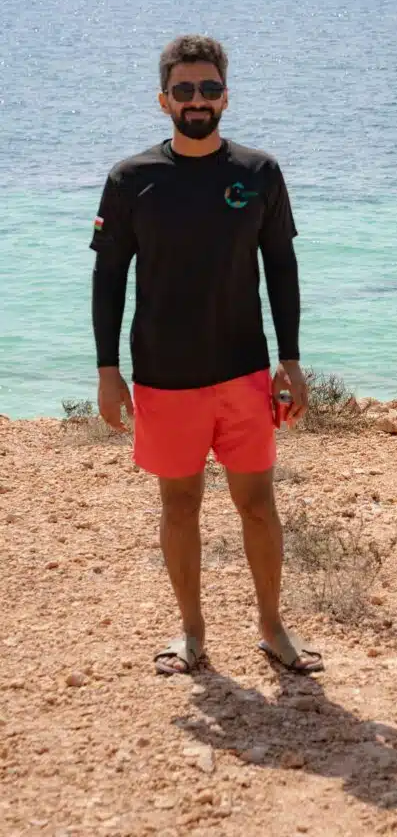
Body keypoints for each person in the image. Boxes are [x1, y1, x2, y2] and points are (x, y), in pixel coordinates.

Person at [90, 34, 322, 675]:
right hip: (164, 376)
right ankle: (191, 633)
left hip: (244, 371)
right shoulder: (131, 180)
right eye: (184, 89)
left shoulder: (258, 174)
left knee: (259, 506)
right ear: (163, 99)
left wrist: (291, 361)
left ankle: (272, 628)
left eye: (209, 88)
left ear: (226, 96)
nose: (198, 100)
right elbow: (108, 279)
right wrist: (108, 372)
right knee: (179, 506)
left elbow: (281, 268)